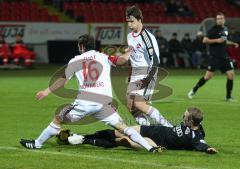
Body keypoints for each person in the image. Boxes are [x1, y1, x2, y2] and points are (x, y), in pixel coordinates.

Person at [19, 34, 161, 153]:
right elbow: (122, 60)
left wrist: (46, 91)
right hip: (104, 103)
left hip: (86, 101)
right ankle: (150, 148)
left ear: (81, 46)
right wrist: (131, 50)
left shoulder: (75, 60)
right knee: (124, 128)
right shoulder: (104, 57)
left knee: (59, 118)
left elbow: (63, 81)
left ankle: (37, 143)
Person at [62, 107, 218, 154]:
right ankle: (80, 137)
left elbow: (202, 143)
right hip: (151, 130)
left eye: (185, 116)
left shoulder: (195, 135)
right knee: (119, 131)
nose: (182, 117)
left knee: (125, 140)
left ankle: (84, 140)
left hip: (156, 142)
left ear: (191, 121)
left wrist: (208, 149)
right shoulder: (190, 125)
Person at [125, 6, 172, 127]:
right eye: (128, 22)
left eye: (132, 21)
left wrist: (147, 80)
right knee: (130, 106)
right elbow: (133, 58)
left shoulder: (147, 37)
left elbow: (155, 61)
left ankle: (168, 126)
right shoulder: (130, 36)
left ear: (140, 19)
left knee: (139, 104)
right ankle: (147, 129)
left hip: (147, 73)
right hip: (135, 74)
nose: (130, 24)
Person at [188, 12, 239, 101]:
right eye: (218, 18)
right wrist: (216, 40)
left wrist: (232, 43)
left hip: (224, 56)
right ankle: (193, 90)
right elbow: (205, 40)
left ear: (224, 19)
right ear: (216, 20)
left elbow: (224, 41)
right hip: (215, 57)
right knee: (207, 77)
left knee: (231, 75)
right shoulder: (213, 30)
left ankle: (228, 97)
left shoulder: (225, 29)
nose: (220, 20)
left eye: (221, 18)